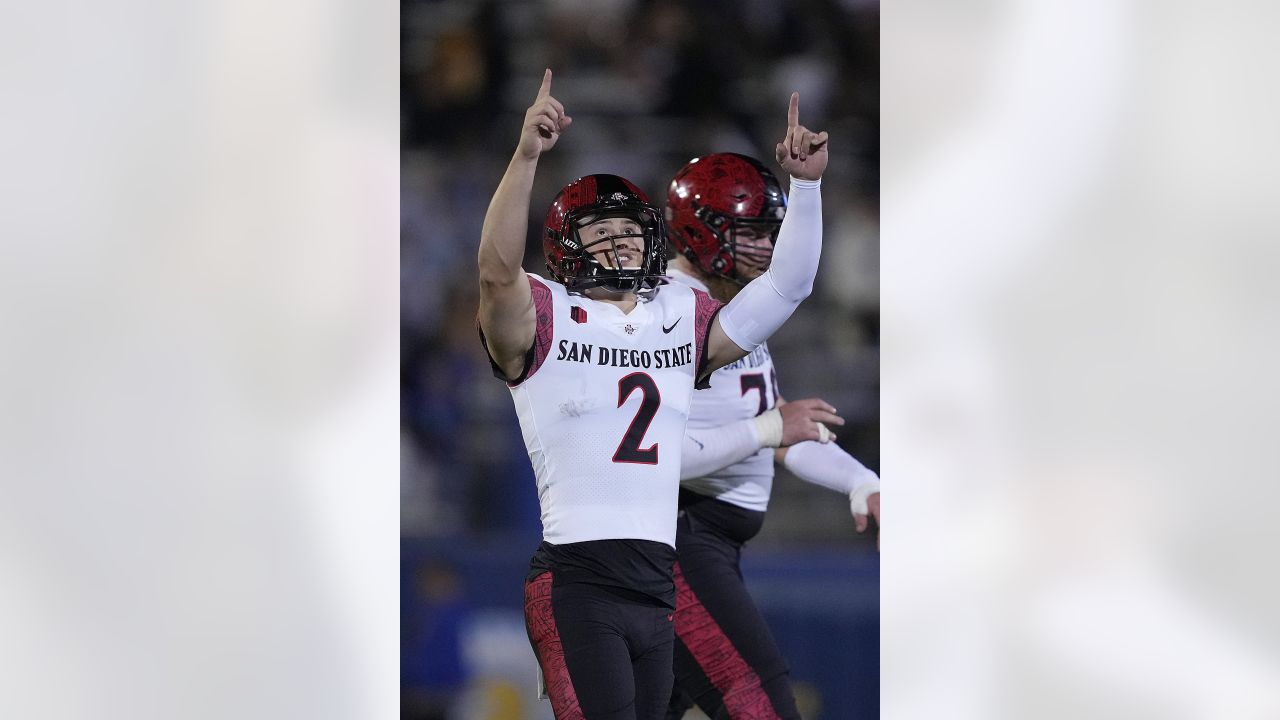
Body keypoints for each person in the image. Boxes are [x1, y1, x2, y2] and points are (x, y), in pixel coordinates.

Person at [475, 69, 830, 720]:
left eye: (627, 230)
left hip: (657, 581)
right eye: (599, 233)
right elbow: (497, 272)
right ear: (565, 249)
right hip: (579, 580)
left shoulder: (678, 314)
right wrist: (527, 155)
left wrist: (804, 189)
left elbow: (786, 289)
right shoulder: (548, 312)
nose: (618, 241)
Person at [661, 152, 882, 720]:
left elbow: (784, 426)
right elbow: (643, 460)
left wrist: (862, 482)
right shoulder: (665, 314)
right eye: (754, 233)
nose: (767, 248)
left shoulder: (725, 308)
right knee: (759, 705)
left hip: (701, 549)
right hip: (675, 548)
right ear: (703, 231)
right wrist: (766, 429)